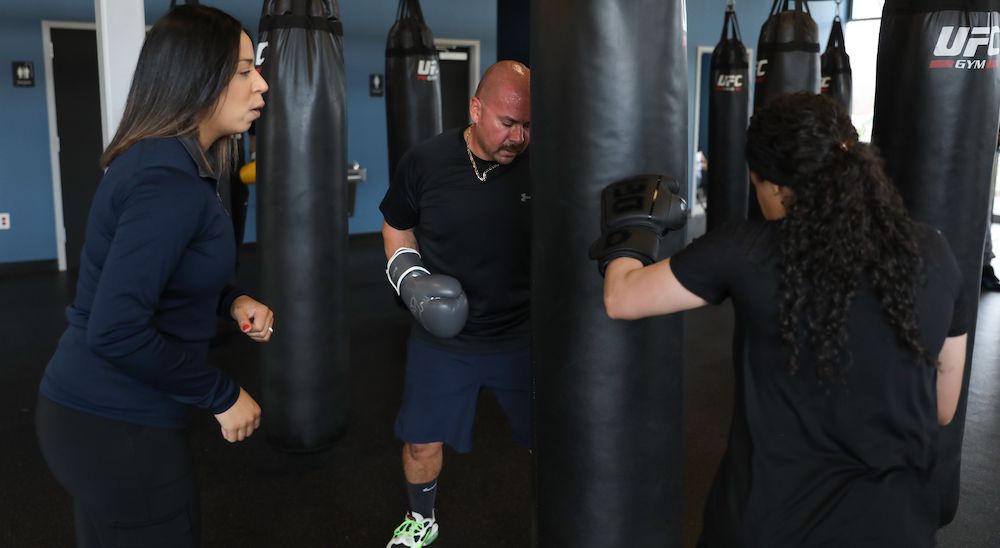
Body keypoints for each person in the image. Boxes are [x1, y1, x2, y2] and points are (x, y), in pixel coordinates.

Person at [591, 93, 968, 547]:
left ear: (768, 183)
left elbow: (621, 297)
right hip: (895, 527)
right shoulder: (934, 252)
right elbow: (943, 407)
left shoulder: (746, 249)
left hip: (771, 525)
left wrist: (632, 230)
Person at [35, 6, 273, 547]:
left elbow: (167, 272)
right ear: (196, 78)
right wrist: (222, 393)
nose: (260, 83)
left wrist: (230, 301)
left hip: (98, 416)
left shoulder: (169, 162)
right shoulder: (168, 180)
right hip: (113, 423)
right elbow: (116, 328)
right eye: (242, 71)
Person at [379, 60, 532, 548]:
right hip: (443, 337)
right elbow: (396, 224)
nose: (518, 136)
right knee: (422, 440)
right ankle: (422, 518)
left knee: (554, 436)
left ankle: (566, 515)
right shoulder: (426, 161)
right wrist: (408, 276)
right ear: (475, 108)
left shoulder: (547, 163)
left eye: (527, 125)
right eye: (507, 123)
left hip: (523, 333)